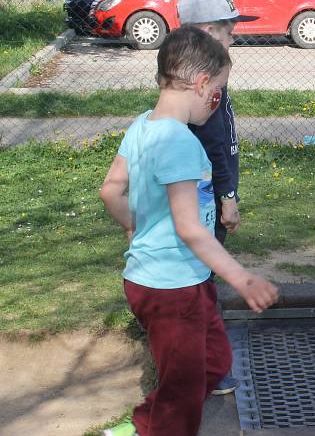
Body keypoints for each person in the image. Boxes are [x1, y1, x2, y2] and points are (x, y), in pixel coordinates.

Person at [99, 26, 279, 436]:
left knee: (213, 362)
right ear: (200, 85)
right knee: (182, 397)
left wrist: (135, 226)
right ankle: (155, 428)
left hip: (184, 281)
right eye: (217, 94)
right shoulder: (178, 141)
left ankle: (146, 423)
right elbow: (191, 229)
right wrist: (242, 277)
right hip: (170, 287)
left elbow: (110, 190)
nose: (217, 104)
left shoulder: (143, 124)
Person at [177, 0, 257, 395]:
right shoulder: (202, 86)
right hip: (205, 203)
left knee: (198, 281)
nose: (233, 36)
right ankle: (203, 370)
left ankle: (199, 362)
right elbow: (214, 147)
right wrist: (228, 198)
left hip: (203, 201)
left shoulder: (192, 78)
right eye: (228, 29)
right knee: (199, 284)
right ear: (208, 30)